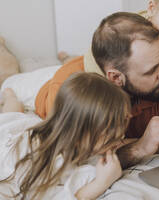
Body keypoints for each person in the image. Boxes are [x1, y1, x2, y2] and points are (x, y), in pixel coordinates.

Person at [35, 12, 159, 169]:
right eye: (151, 70)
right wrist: (139, 147)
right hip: (43, 91)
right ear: (116, 78)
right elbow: (77, 160)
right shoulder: (67, 92)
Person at [0, 72, 131, 199]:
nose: (121, 138)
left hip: (28, 128)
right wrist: (100, 184)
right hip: (9, 137)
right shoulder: (41, 163)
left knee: (16, 113)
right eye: (112, 139)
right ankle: (9, 96)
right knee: (12, 113)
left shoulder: (75, 141)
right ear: (79, 135)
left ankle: (11, 98)